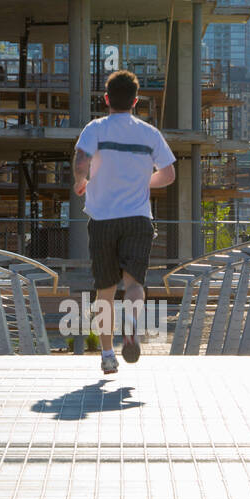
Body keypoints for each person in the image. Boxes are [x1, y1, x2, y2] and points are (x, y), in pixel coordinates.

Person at [72, 70, 176, 374]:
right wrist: (144, 181)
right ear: (135, 101)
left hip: (103, 220)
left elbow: (81, 158)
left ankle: (107, 354)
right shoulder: (149, 133)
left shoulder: (95, 129)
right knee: (134, 284)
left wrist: (82, 179)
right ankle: (130, 327)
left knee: (105, 290)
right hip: (137, 219)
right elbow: (169, 175)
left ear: (106, 99)